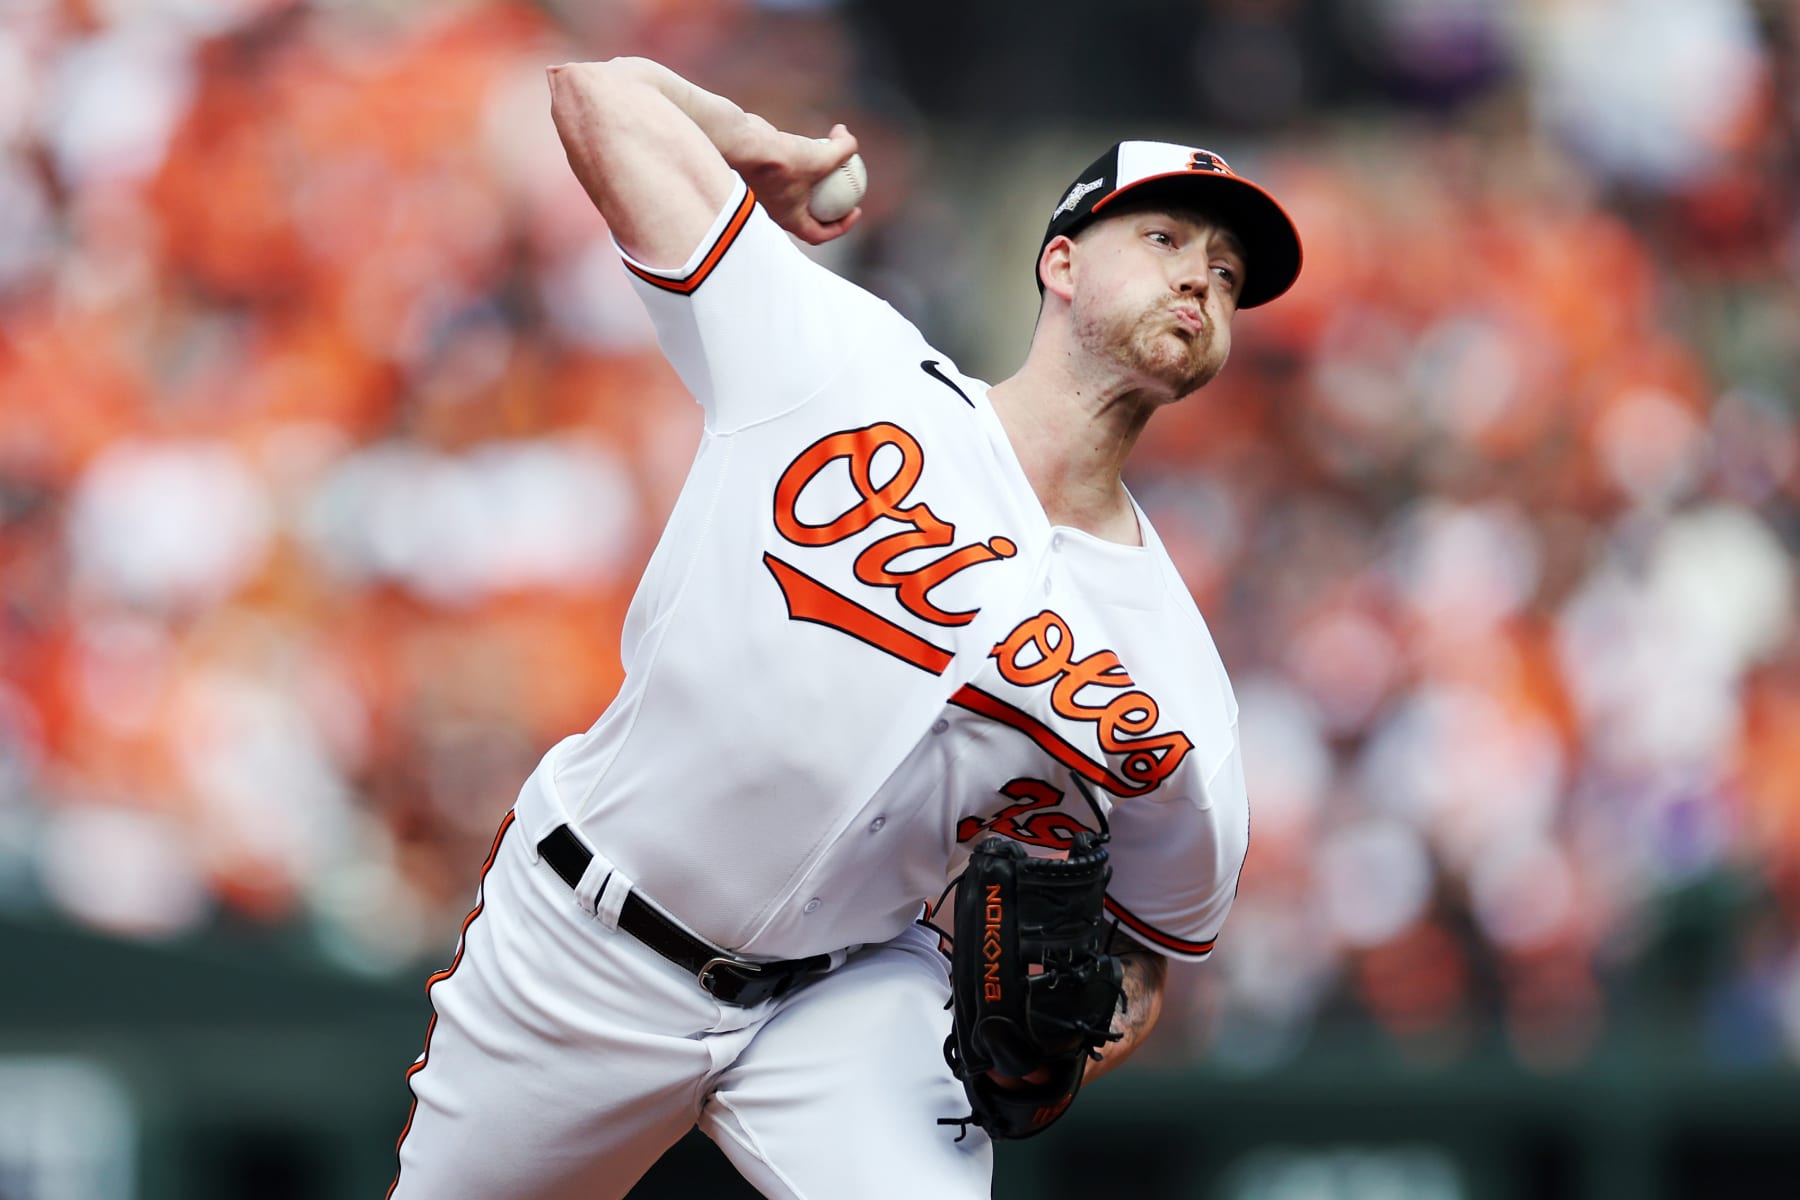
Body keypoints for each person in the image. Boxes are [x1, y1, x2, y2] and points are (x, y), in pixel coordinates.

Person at [386, 55, 1302, 1200]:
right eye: (1166, 240)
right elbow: (590, 96)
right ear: (1059, 262)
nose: (1202, 282)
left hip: (846, 1000)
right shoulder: (842, 362)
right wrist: (751, 145)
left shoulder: (1174, 679)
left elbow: (1149, 946)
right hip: (586, 940)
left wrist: (1078, 1028)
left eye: (1227, 274)